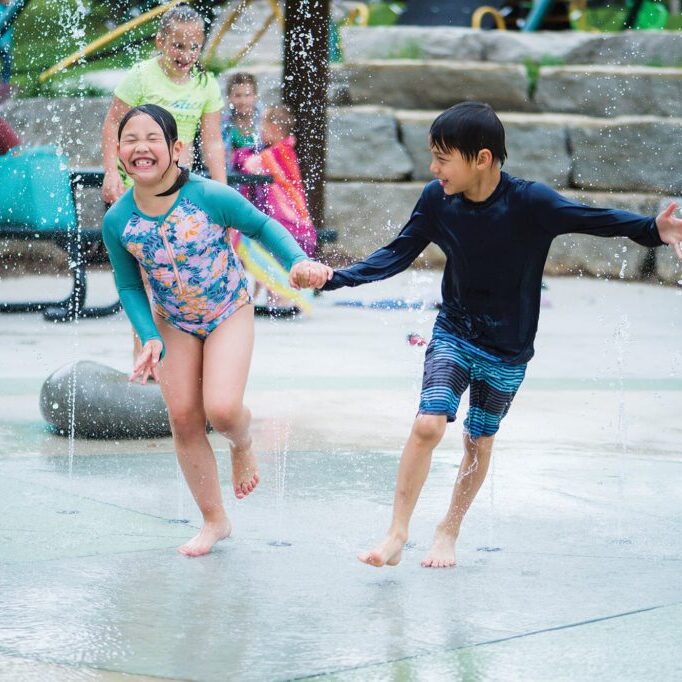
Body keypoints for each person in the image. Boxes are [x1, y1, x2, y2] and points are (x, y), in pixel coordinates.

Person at [316, 101, 682, 569]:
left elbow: (594, 219)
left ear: (482, 159)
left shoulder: (531, 203)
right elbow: (396, 253)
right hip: (455, 331)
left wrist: (653, 228)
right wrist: (335, 278)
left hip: (508, 351)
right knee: (428, 423)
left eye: (443, 158)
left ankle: (449, 530)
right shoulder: (436, 200)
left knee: (479, 441)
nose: (434, 168)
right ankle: (396, 534)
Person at [102, 104, 331, 557]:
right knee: (184, 417)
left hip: (227, 310)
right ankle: (214, 520)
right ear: (119, 152)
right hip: (173, 322)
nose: (141, 147)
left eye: (153, 138)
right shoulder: (119, 221)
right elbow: (128, 284)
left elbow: (262, 225)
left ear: (176, 148)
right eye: (131, 139)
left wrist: (297, 262)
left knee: (223, 411)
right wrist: (148, 335)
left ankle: (242, 442)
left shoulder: (208, 196)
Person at [101, 3, 226, 205]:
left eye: (194, 47)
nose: (186, 56)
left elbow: (212, 141)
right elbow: (113, 123)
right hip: (131, 188)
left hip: (177, 190)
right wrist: (111, 173)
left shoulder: (206, 85)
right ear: (160, 42)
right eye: (178, 46)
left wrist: (222, 193)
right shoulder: (141, 76)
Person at [237, 105, 317, 257]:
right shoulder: (287, 150)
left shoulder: (273, 155)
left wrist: (241, 154)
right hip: (301, 226)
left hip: (288, 225)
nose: (259, 130)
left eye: (262, 125)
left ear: (274, 129)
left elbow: (248, 165)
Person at [221, 71, 262, 171]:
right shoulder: (224, 124)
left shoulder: (263, 121)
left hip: (259, 177)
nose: (243, 101)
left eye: (247, 95)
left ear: (256, 96)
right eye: (238, 96)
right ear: (229, 97)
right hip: (233, 176)